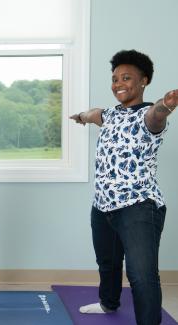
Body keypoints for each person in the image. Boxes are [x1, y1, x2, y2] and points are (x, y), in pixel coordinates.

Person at [70, 49, 177, 325]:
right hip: (103, 204)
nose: (118, 83)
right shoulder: (111, 114)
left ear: (144, 81)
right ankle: (108, 303)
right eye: (115, 78)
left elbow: (156, 116)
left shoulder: (147, 117)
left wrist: (166, 105)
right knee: (108, 263)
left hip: (138, 207)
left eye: (126, 78)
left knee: (142, 275)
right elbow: (95, 114)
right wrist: (81, 117)